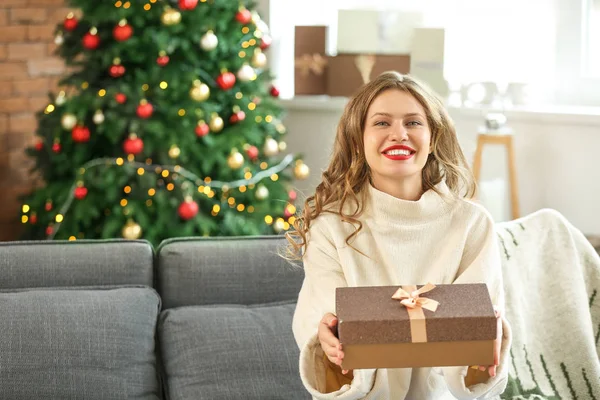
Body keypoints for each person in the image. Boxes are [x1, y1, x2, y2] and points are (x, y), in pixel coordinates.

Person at [285, 71, 512, 399]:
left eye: (413, 123)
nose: (399, 135)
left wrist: (483, 349)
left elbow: (468, 363)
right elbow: (326, 332)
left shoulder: (472, 224)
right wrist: (329, 346)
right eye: (381, 123)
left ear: (432, 138)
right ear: (358, 140)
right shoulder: (332, 227)